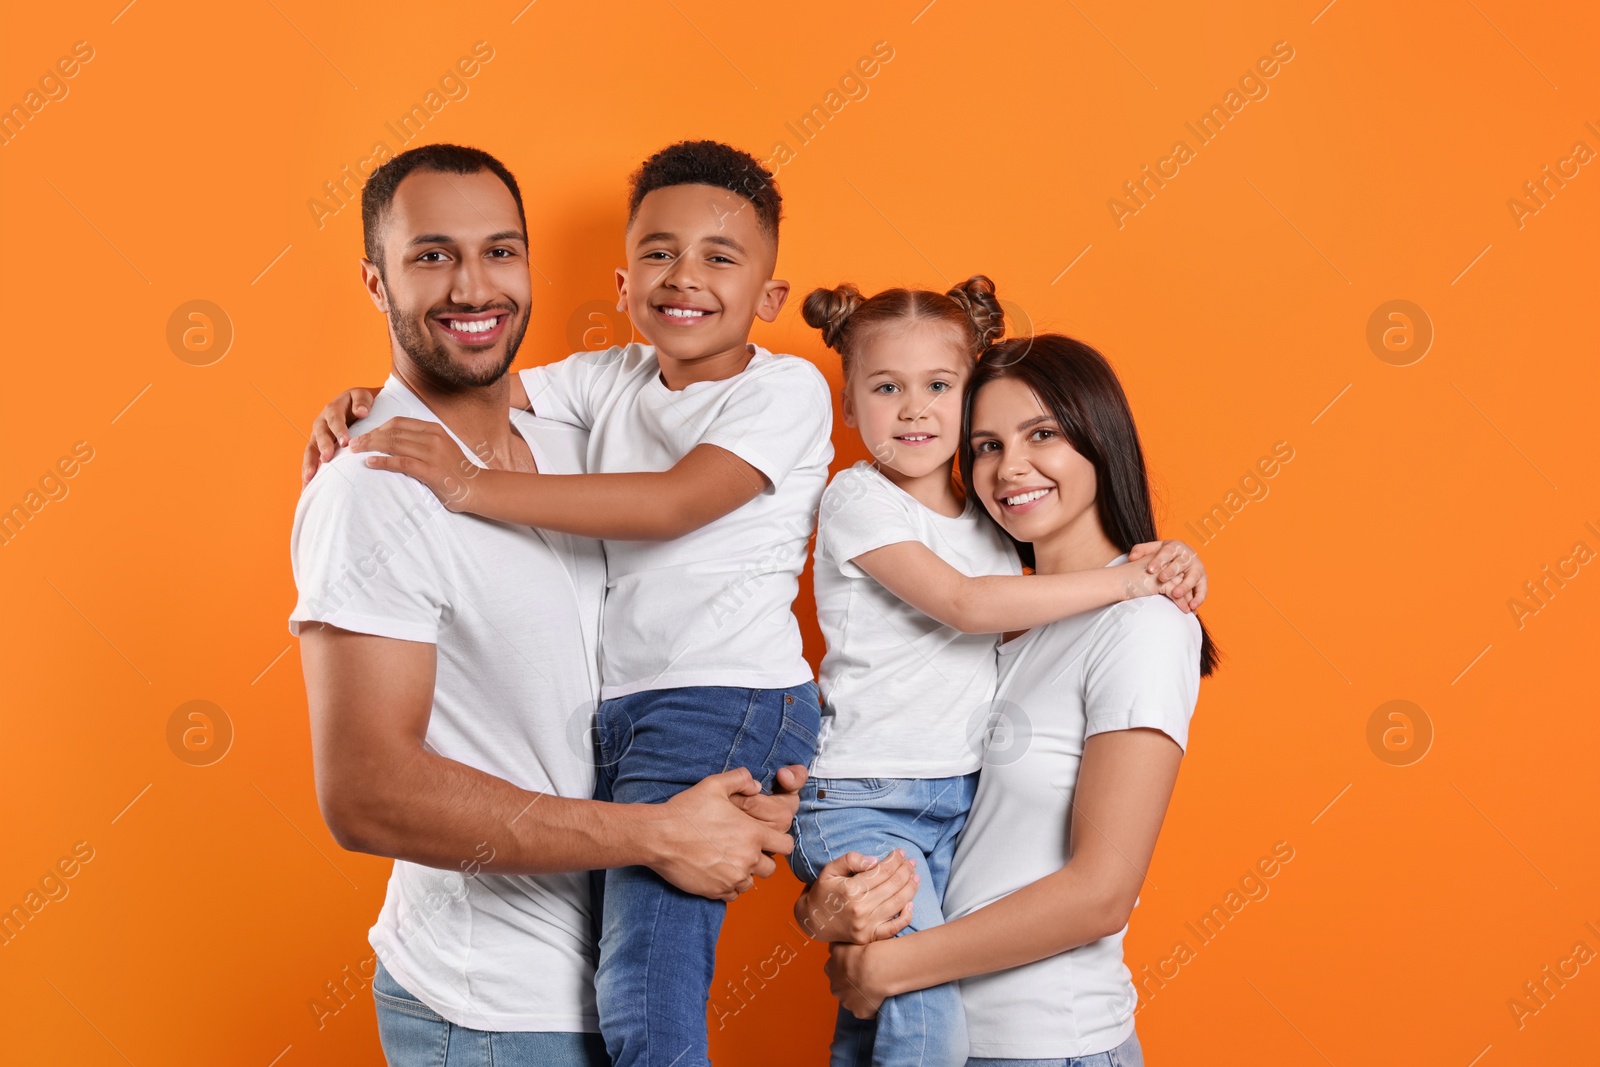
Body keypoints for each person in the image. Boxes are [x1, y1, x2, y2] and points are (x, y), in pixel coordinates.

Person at [302, 140, 834, 1067]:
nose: (474, 287)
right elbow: (365, 794)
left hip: (600, 983)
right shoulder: (374, 489)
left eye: (500, 251)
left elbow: (671, 525)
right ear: (375, 282)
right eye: (432, 255)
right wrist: (665, 832)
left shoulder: (566, 441)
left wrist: (748, 804)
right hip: (490, 1008)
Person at [787, 279, 1207, 1066]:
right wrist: (825, 910)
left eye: (1043, 434)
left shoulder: (1143, 624)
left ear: (1099, 438)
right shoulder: (1008, 620)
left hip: (1050, 1044)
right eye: (987, 444)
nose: (1012, 466)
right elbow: (949, 830)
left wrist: (889, 964)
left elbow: (1101, 891)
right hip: (951, 1031)